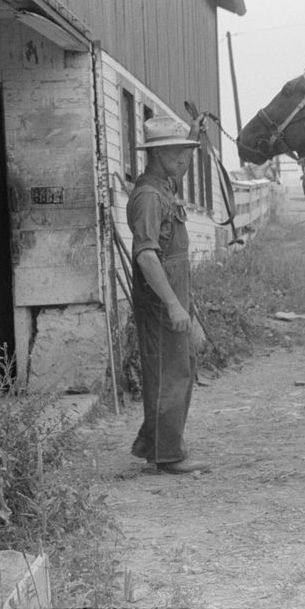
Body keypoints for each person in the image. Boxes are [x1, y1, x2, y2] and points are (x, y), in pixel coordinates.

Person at [127, 115, 210, 474]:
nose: (185, 160)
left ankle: (155, 445)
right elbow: (146, 255)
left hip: (174, 295)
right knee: (169, 374)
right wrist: (175, 306)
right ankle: (167, 455)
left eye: (187, 152)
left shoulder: (165, 186)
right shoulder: (148, 196)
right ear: (158, 155)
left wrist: (193, 133)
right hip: (162, 302)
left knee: (178, 370)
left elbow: (185, 163)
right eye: (179, 153)